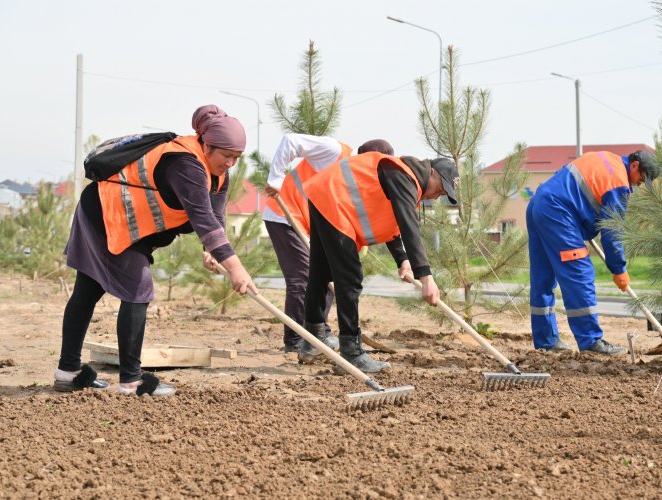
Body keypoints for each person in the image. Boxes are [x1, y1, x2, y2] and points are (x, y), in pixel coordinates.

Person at [53, 104, 256, 396]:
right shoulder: (185, 164)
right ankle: (131, 382)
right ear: (207, 145)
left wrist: (211, 250)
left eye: (237, 158)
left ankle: (68, 372)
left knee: (89, 290)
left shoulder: (219, 173)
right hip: (107, 215)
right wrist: (236, 268)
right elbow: (203, 218)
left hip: (126, 223)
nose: (231, 164)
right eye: (226, 156)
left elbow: (214, 218)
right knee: (136, 289)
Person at [300, 152, 460, 372]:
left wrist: (402, 260)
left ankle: (312, 340)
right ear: (432, 172)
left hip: (324, 194)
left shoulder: (404, 180)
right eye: (440, 189)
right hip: (335, 200)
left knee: (321, 272)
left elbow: (392, 221)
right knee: (350, 277)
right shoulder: (404, 176)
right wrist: (426, 276)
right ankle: (351, 352)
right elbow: (408, 225)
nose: (437, 196)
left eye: (443, 194)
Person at [261, 134, 394, 353]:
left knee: (327, 274)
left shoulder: (360, 180)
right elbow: (290, 141)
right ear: (367, 160)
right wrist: (275, 178)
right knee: (302, 279)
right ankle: (296, 339)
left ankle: (318, 332)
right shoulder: (334, 151)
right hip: (285, 215)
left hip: (310, 226)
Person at [526, 150, 660, 355]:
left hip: (539, 203)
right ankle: (590, 341)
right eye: (641, 178)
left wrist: (584, 222)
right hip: (558, 211)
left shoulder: (606, 158)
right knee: (579, 272)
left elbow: (581, 192)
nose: (639, 184)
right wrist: (619, 269)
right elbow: (612, 232)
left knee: (542, 277)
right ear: (634, 165)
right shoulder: (618, 183)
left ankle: (546, 341)